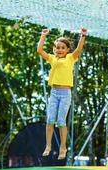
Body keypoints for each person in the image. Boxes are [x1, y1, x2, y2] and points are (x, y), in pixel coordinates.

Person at [37, 27, 87, 160]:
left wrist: (83, 35)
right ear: (54, 49)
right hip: (54, 93)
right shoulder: (52, 59)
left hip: (65, 94)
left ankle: (63, 148)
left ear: (67, 50)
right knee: (49, 119)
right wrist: (43, 36)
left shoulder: (71, 58)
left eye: (62, 47)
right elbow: (40, 50)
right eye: (57, 47)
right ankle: (48, 146)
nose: (59, 50)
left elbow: (79, 49)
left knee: (60, 121)